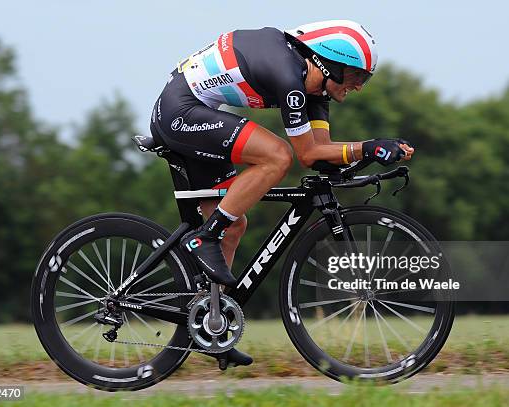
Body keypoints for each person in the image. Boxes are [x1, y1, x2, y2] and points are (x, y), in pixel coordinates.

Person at [150, 20, 414, 368]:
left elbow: (322, 152)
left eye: (363, 80)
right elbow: (306, 155)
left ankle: (212, 325)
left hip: (197, 112)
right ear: (330, 63)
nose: (358, 87)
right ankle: (204, 238)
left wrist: (369, 155)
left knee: (234, 225)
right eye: (355, 78)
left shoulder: (315, 91)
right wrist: (369, 148)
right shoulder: (288, 75)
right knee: (277, 156)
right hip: (179, 111)